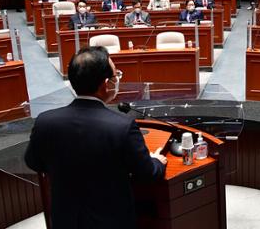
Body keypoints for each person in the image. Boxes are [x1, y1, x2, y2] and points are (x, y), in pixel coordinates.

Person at [24, 46, 167, 229]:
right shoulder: (122, 126)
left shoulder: (45, 121)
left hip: (65, 219)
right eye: (116, 76)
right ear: (106, 84)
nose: (118, 80)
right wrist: (157, 161)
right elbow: (148, 173)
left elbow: (33, 162)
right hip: (110, 221)